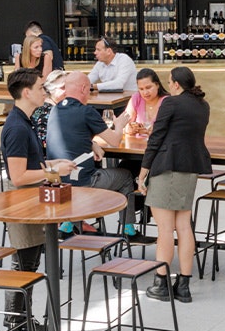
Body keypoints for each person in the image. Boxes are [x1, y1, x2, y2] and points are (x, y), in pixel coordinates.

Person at [0, 68, 76, 331]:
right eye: (41, 87)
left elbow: (29, 168)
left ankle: (24, 321)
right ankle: (14, 327)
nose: (45, 90)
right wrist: (53, 170)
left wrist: (53, 168)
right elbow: (18, 176)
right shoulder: (18, 127)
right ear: (27, 92)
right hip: (23, 203)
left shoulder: (24, 120)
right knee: (24, 264)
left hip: (31, 201)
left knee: (29, 262)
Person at [136, 66, 212, 304]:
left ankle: (162, 283)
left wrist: (143, 171)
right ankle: (184, 285)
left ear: (176, 84)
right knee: (184, 226)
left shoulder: (171, 103)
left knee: (165, 229)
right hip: (190, 169)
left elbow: (156, 138)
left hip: (167, 168)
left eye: (169, 81)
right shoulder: (203, 105)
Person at [46, 71, 139, 239]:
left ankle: (69, 223)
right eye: (89, 90)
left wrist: (92, 143)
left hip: (57, 183)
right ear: (83, 88)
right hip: (82, 183)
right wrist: (119, 124)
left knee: (84, 177)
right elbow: (114, 141)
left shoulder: (55, 110)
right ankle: (129, 229)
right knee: (126, 176)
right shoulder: (86, 111)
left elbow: (71, 134)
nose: (89, 95)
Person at [32, 69, 69, 150]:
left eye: (69, 87)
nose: (68, 91)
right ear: (51, 90)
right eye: (63, 87)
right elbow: (43, 142)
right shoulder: (48, 111)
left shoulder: (46, 105)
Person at [123, 68, 164, 137]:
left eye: (148, 88)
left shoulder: (167, 101)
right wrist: (129, 129)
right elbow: (124, 124)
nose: (145, 92)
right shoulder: (136, 98)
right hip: (137, 145)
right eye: (141, 89)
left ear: (157, 85)